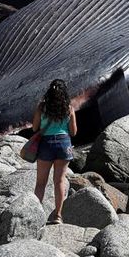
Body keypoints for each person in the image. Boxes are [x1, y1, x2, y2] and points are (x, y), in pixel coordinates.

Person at [32, 79, 77, 224]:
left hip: (46, 144)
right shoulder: (69, 108)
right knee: (59, 181)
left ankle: (35, 216)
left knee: (41, 183)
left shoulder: (42, 107)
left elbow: (34, 128)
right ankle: (58, 215)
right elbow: (74, 132)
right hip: (64, 144)